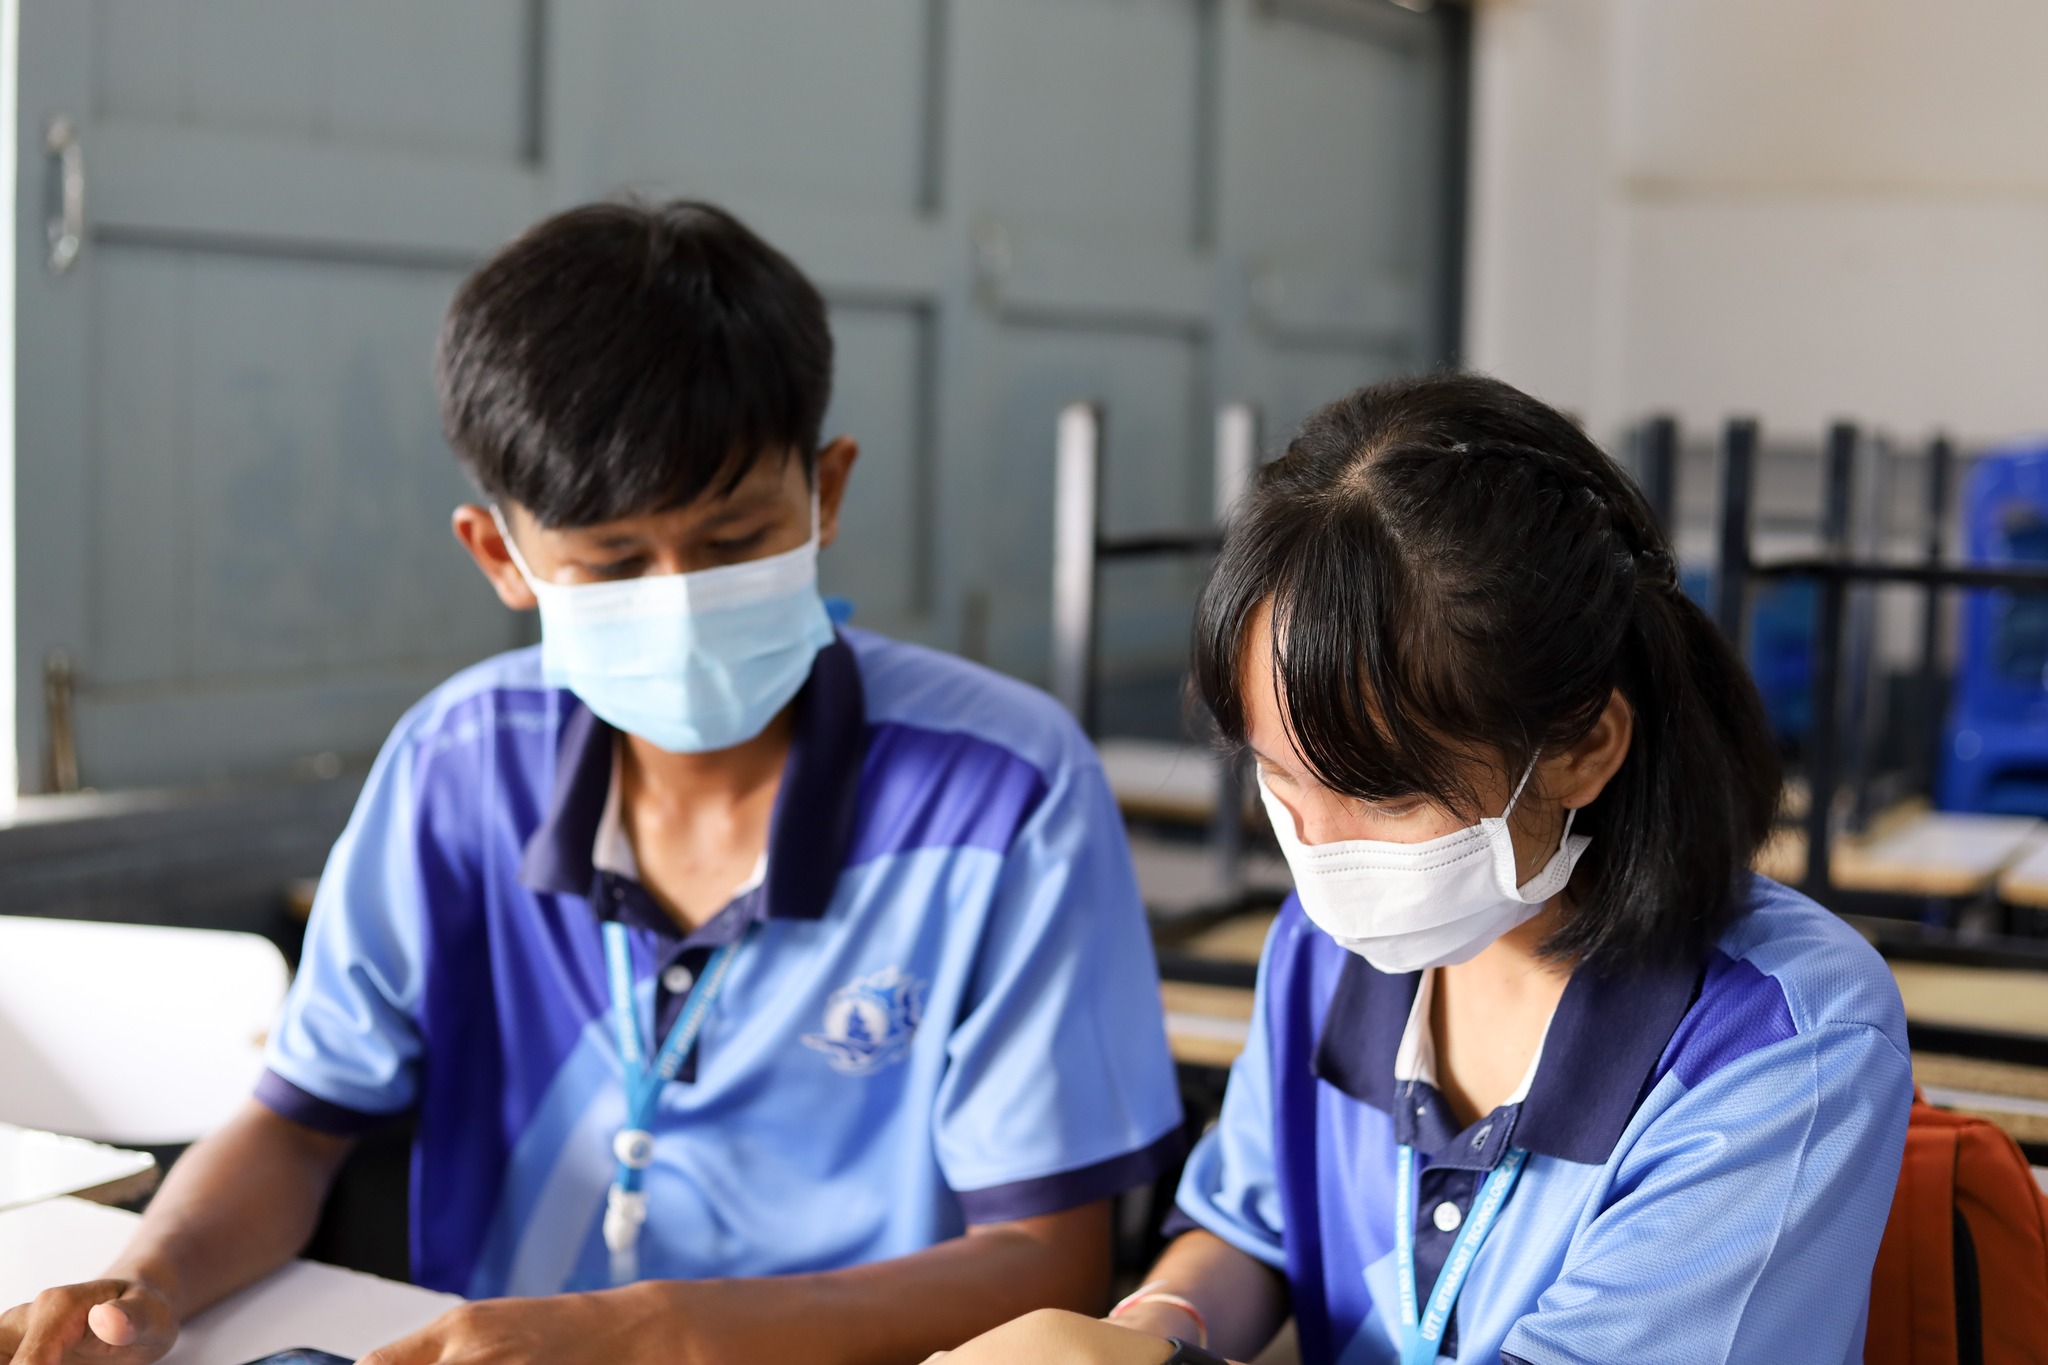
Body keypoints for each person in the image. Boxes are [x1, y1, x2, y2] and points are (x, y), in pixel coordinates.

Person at [0, 201, 1184, 1365]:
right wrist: (141, 1286)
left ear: (824, 493)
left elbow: (1047, 1258)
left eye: (731, 543)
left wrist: (652, 1333)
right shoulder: (455, 767)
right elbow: (298, 1124)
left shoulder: (1006, 792)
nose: (677, 599)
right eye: (613, 563)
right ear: (500, 556)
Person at [928, 373, 1914, 1365]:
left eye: (1385, 796)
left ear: (1580, 746)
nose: (1316, 846)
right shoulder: (1326, 955)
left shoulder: (1780, 1043)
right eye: (1278, 777)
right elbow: (1249, 1230)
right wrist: (1152, 1323)